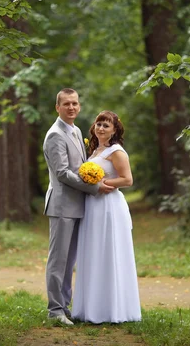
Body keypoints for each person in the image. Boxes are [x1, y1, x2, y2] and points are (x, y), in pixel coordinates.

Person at [42, 89, 115, 326]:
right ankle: (55, 310)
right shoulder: (55, 135)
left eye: (75, 103)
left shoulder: (76, 130)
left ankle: (65, 306)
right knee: (58, 260)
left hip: (77, 205)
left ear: (79, 106)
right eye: (66, 104)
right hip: (62, 205)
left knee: (69, 260)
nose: (71, 107)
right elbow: (62, 173)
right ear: (58, 107)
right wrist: (94, 187)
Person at [72, 110, 142, 324]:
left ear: (114, 130)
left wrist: (103, 184)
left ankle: (113, 310)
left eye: (106, 125)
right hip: (92, 206)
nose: (101, 128)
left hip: (109, 208)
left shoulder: (116, 151)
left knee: (108, 253)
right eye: (99, 124)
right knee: (93, 252)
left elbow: (127, 180)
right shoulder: (94, 151)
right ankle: (90, 308)